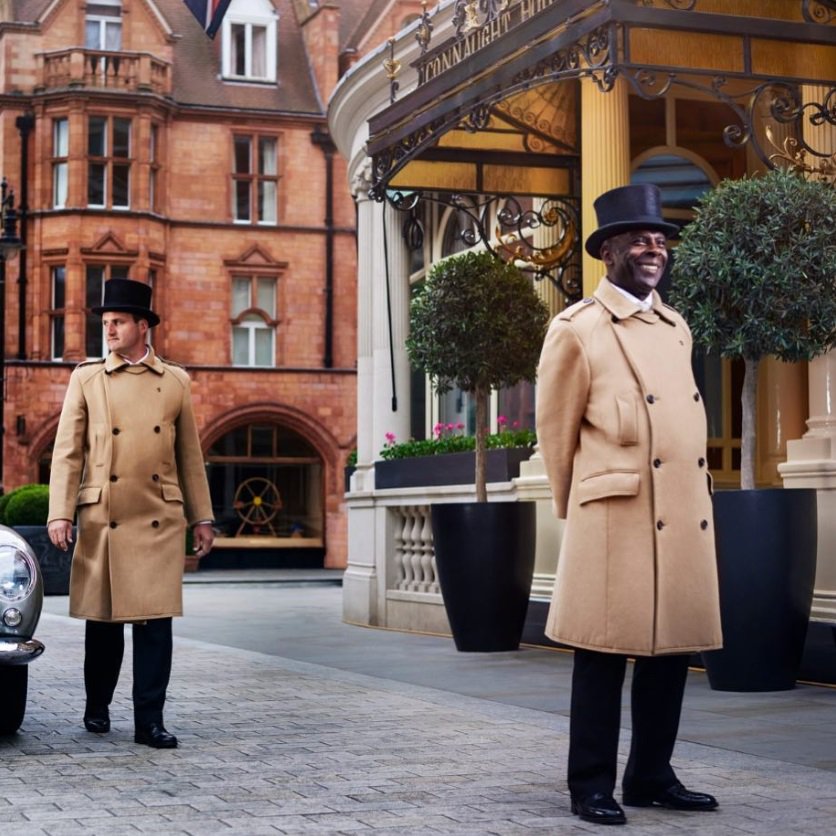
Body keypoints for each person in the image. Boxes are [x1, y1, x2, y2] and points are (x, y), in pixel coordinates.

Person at [536, 184, 723, 825]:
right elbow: (556, 434)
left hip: (679, 506)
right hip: (613, 514)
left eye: (660, 239)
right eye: (639, 239)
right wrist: (580, 510)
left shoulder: (675, 326)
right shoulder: (578, 329)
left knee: (670, 650)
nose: (654, 249)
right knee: (602, 653)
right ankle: (589, 783)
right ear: (608, 250)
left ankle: (650, 774)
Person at [47, 278, 215, 749]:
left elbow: (190, 456)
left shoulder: (175, 381)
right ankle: (97, 705)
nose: (111, 330)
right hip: (105, 515)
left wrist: (202, 517)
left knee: (155, 624)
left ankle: (149, 721)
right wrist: (59, 513)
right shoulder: (87, 377)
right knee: (104, 624)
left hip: (159, 516)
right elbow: (67, 453)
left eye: (119, 322)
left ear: (144, 326)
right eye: (106, 323)